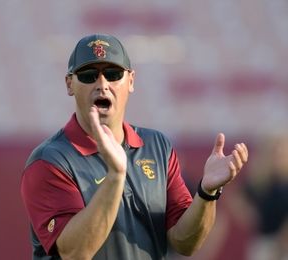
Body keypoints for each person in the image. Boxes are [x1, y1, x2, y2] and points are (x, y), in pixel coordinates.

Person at [20, 33, 249, 260]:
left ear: (130, 81)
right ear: (70, 84)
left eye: (113, 74)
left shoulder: (157, 146)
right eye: (89, 75)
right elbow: (76, 252)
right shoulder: (50, 160)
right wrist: (116, 176)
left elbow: (185, 243)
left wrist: (206, 193)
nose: (102, 84)